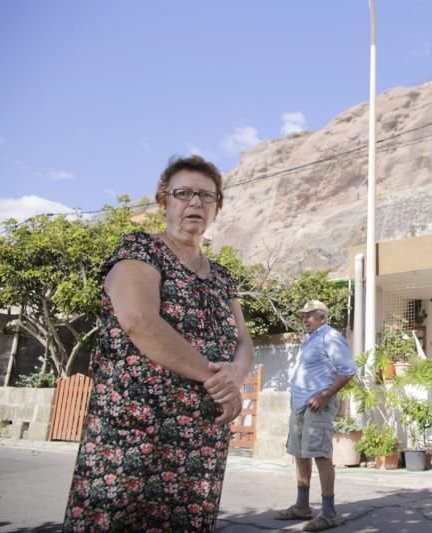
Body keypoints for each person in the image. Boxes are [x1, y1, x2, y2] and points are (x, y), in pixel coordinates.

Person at [63, 155, 254, 532]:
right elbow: (140, 322)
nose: (195, 203)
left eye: (206, 196)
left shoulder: (222, 278)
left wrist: (236, 372)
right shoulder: (140, 251)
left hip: (200, 438)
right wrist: (216, 379)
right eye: (183, 193)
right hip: (134, 432)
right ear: (164, 201)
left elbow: (244, 341)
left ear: (217, 206)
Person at [275, 300, 357, 531]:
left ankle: (329, 513)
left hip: (318, 404)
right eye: (303, 315)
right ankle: (302, 506)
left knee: (321, 455)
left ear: (322, 316)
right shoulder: (310, 339)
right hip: (301, 405)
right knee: (300, 454)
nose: (305, 319)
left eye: (310, 315)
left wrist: (325, 395)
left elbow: (347, 371)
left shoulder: (330, 337)